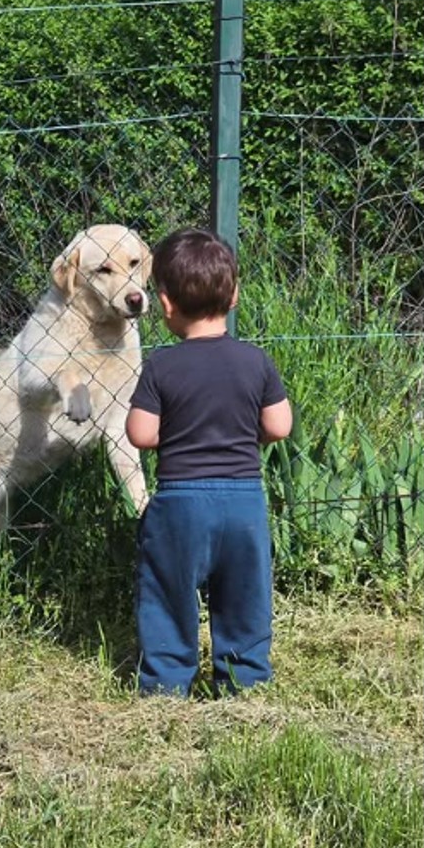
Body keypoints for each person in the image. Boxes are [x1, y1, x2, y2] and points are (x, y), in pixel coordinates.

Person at [125, 228, 292, 697]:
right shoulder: (255, 361)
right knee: (244, 596)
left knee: (167, 593)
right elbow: (279, 426)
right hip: (243, 501)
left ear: (165, 304)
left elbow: (141, 434)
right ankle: (243, 681)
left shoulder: (161, 366)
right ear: (234, 295)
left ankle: (166, 684)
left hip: (180, 503)